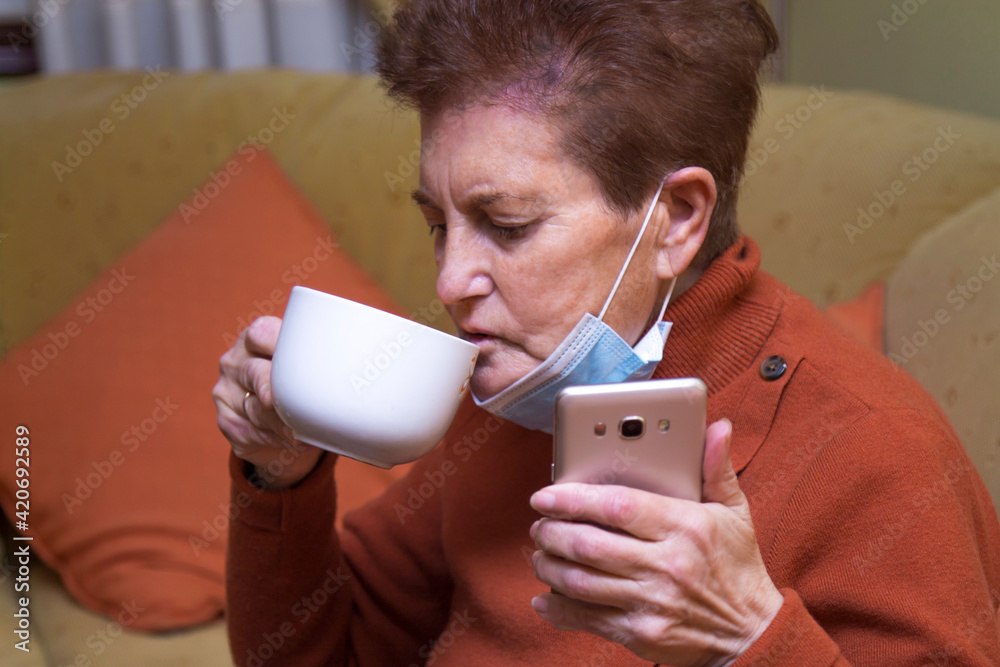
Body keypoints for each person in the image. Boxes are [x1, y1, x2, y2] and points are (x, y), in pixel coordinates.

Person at [213, 1, 1000, 665]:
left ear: (676, 220)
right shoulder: (513, 389)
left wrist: (747, 636)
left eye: (506, 224)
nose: (450, 282)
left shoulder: (874, 447)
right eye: (438, 224)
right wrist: (278, 477)